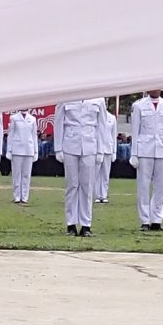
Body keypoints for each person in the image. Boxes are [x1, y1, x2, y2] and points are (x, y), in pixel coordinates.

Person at [54, 97, 102, 236]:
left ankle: (86, 224)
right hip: (70, 144)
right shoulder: (67, 97)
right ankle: (71, 224)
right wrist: (58, 148)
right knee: (72, 185)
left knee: (87, 186)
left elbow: (101, 126)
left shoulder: (98, 99)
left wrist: (101, 150)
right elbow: (59, 123)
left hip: (90, 144)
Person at [130, 90, 163, 231]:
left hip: (162, 148)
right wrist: (134, 153)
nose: (155, 89)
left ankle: (157, 220)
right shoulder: (139, 106)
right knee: (143, 185)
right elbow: (135, 131)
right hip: (144, 149)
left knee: (160, 187)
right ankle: (144, 220)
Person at [2, 108, 39, 205]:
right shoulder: (14, 118)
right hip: (17, 148)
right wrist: (9, 150)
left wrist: (36, 151)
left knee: (26, 175)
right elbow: (11, 134)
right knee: (16, 174)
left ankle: (25, 197)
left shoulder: (32, 119)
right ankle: (17, 196)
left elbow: (34, 135)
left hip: (29, 149)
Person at [94, 102, 117, 205]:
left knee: (106, 174)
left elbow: (114, 135)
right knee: (96, 173)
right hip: (97, 148)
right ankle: (97, 195)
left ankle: (104, 195)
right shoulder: (95, 116)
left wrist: (114, 152)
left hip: (108, 148)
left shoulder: (112, 118)